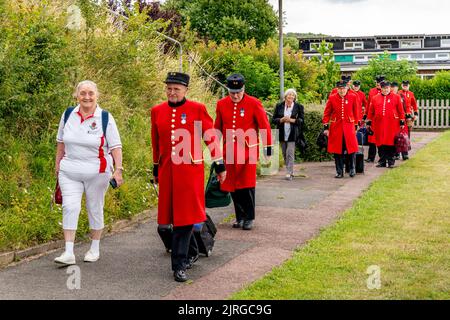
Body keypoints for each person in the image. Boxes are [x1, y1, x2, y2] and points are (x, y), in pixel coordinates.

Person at [151, 72, 226, 282]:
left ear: (185, 90)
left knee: (184, 220)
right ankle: (193, 251)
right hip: (167, 172)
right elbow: (155, 142)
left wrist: (219, 165)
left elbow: (211, 138)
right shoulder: (157, 111)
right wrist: (156, 169)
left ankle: (179, 265)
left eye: (176, 89)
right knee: (169, 221)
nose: (172, 92)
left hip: (189, 173)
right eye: (169, 88)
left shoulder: (197, 109)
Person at [54, 80, 123, 265]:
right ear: (77, 95)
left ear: (97, 95)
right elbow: (61, 142)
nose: (86, 97)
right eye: (83, 93)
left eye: (90, 93)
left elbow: (116, 146)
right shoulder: (68, 114)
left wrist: (118, 170)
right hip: (69, 171)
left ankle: (94, 248)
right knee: (70, 207)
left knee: (94, 207)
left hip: (97, 172)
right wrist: (57, 165)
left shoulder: (105, 117)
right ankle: (68, 252)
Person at [214, 73, 273, 231]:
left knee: (246, 185)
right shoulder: (221, 104)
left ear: (243, 88)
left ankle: (249, 217)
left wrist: (268, 148)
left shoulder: (254, 103)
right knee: (231, 185)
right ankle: (239, 217)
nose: (235, 95)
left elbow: (264, 126)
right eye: (232, 92)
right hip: (229, 151)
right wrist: (213, 149)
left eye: (238, 92)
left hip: (248, 151)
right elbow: (217, 128)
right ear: (228, 90)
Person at [323, 80, 360, 178]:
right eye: (340, 88)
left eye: (343, 88)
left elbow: (356, 111)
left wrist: (356, 125)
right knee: (337, 150)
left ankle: (352, 169)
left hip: (349, 126)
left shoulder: (353, 96)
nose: (342, 90)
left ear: (347, 88)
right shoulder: (332, 98)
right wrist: (326, 127)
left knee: (351, 149)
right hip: (336, 127)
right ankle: (339, 171)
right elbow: (327, 113)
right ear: (337, 89)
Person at [366, 81, 405, 168]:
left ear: (389, 88)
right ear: (381, 88)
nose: (385, 90)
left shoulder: (396, 97)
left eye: (387, 88)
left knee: (391, 142)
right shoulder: (375, 98)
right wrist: (369, 121)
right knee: (380, 143)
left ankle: (391, 161)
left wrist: (402, 121)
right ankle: (382, 161)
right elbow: (371, 111)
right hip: (378, 124)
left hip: (392, 124)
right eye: (384, 88)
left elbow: (401, 110)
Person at [271, 88, 304, 181]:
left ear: (295, 97)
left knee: (290, 153)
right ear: (285, 96)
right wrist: (281, 120)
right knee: (284, 153)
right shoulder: (279, 106)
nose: (291, 97)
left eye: (293, 95)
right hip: (282, 132)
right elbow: (273, 119)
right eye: (289, 95)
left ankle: (289, 173)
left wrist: (292, 120)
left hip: (293, 133)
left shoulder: (298, 106)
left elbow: (301, 120)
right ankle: (289, 170)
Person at [364, 75, 384, 163]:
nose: (378, 84)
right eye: (376, 82)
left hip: (381, 119)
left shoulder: (386, 91)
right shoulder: (372, 91)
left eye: (379, 83)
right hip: (372, 118)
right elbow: (368, 104)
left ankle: (382, 158)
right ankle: (371, 157)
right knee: (371, 138)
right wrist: (366, 116)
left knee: (381, 138)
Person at [398, 80, 418, 160]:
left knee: (406, 135)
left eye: (407, 85)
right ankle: (396, 153)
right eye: (404, 85)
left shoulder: (411, 94)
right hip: (399, 117)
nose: (405, 86)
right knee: (397, 134)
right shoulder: (398, 93)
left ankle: (405, 154)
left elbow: (414, 104)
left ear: (409, 86)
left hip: (408, 118)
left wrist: (416, 114)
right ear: (401, 85)